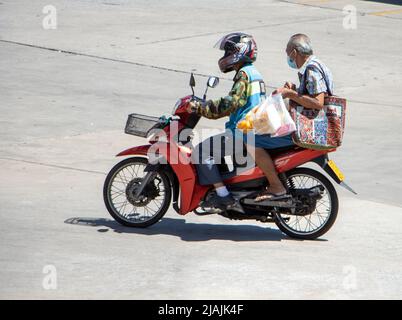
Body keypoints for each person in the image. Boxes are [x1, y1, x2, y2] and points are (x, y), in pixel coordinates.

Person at [247, 33, 334, 202]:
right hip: (315, 125)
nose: (288, 57)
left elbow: (317, 102)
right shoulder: (317, 65)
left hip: (310, 129)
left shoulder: (312, 69)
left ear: (294, 52)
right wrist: (296, 90)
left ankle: (275, 185)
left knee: (252, 140)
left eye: (288, 52)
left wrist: (291, 94)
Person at [188, 32, 266, 210]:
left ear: (239, 51)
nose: (225, 57)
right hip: (253, 132)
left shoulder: (244, 75)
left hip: (243, 134)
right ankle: (223, 187)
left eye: (228, 52)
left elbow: (231, 103)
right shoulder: (254, 73)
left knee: (200, 152)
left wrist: (202, 108)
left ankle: (224, 197)